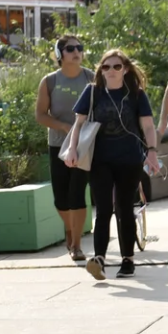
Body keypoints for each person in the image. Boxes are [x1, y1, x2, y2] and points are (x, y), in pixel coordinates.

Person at [64, 48, 160, 280]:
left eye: (117, 66)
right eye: (106, 67)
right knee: (104, 208)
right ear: (101, 70)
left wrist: (152, 152)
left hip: (130, 159)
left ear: (125, 69)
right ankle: (99, 259)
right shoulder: (93, 92)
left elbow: (147, 126)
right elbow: (78, 124)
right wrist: (71, 149)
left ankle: (128, 259)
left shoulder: (136, 94)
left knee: (125, 209)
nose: (111, 71)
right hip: (100, 160)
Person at [35, 34, 96, 261]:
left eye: (79, 47)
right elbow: (40, 115)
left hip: (83, 145)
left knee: (77, 194)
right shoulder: (50, 81)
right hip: (58, 145)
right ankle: (70, 230)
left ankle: (77, 245)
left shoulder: (91, 78)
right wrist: (62, 126)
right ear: (60, 54)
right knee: (60, 199)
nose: (76, 52)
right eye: (70, 48)